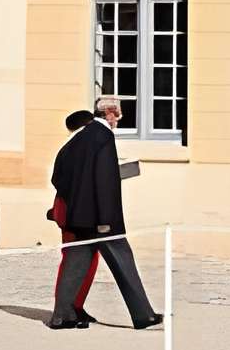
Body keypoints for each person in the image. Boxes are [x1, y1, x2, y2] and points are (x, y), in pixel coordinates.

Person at [46, 96, 160, 331]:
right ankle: (143, 315)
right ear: (109, 113)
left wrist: (76, 201)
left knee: (75, 263)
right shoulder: (103, 136)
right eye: (118, 114)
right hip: (101, 218)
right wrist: (106, 220)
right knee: (123, 261)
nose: (118, 119)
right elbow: (104, 180)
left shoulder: (77, 140)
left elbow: (58, 176)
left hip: (79, 216)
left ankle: (61, 316)